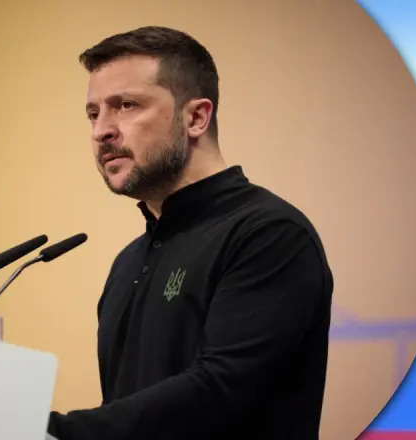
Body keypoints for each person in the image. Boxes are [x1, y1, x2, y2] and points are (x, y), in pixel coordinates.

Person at [46, 26, 334, 439]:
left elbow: (219, 394)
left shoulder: (270, 235)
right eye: (94, 114)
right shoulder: (128, 261)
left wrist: (52, 432)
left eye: (125, 105)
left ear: (196, 117)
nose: (101, 131)